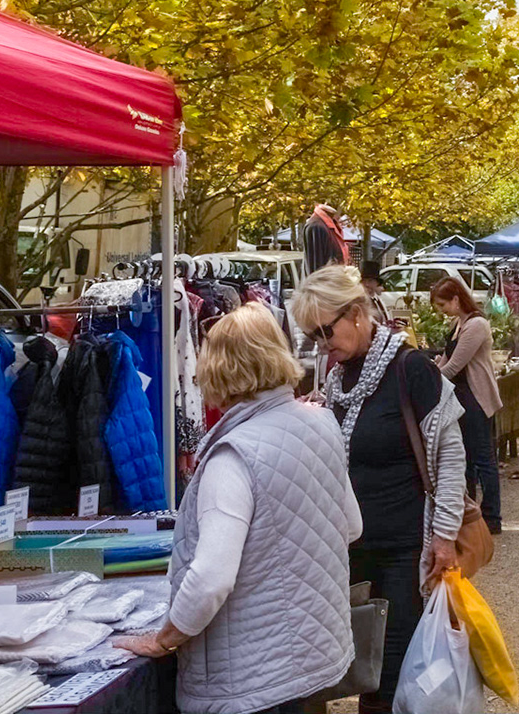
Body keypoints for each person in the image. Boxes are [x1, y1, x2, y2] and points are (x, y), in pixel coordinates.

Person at [117, 303, 361, 714]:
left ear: (218, 368)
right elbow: (351, 525)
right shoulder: (323, 425)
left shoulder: (233, 456)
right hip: (308, 658)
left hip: (246, 680)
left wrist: (164, 639)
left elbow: (211, 579)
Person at [292, 267, 467, 714]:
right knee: (351, 668)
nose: (321, 343)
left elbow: (450, 457)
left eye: (325, 330)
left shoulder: (410, 368)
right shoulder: (337, 377)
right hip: (351, 548)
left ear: (355, 314)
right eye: (313, 335)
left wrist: (445, 537)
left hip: (406, 549)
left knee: (390, 678)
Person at [430, 275, 504, 535]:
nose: (441, 311)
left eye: (443, 305)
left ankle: (492, 516)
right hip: (460, 398)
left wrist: (428, 379)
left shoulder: (476, 325)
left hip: (475, 398)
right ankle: (470, 513)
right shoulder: (458, 323)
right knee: (466, 460)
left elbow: (453, 366)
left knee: (483, 459)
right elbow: (445, 359)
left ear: (456, 299)